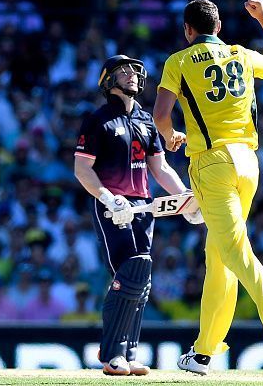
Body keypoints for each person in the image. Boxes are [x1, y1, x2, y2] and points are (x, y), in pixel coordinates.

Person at [153, 0, 263, 375]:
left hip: (211, 163)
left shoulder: (179, 61)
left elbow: (160, 116)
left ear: (188, 31)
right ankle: (203, 353)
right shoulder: (241, 53)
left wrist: (171, 138)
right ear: (218, 28)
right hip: (249, 163)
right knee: (219, 256)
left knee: (231, 250)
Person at [74, 54, 203, 376]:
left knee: (141, 277)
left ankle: (129, 353)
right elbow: (81, 168)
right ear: (108, 80)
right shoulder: (98, 120)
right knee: (128, 273)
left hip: (144, 206)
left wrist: (185, 197)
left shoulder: (146, 120)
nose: (132, 75)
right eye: (123, 71)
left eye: (134, 70)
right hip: (113, 207)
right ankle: (111, 355)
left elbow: (160, 168)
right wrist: (106, 197)